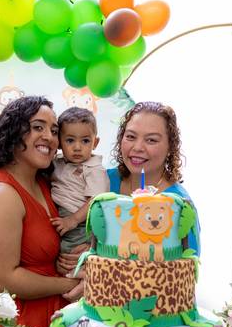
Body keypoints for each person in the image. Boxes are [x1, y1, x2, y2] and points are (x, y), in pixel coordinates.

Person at [0, 96, 80, 327]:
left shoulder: (43, 184)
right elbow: (2, 279)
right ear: (13, 132)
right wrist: (69, 284)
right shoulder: (1, 193)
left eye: (54, 130)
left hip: (55, 319)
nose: (49, 137)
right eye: (38, 127)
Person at [56, 101, 201, 276]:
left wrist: (98, 269)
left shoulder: (179, 206)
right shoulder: (102, 180)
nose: (137, 147)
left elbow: (185, 275)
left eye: (151, 140)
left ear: (170, 146)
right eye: (131, 137)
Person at [49, 107, 109, 256]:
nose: (77, 147)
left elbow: (96, 200)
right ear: (59, 143)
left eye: (85, 141)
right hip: (61, 216)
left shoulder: (94, 168)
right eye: (70, 140)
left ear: (95, 143)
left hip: (81, 222)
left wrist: (73, 220)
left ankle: (74, 270)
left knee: (70, 253)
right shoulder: (57, 162)